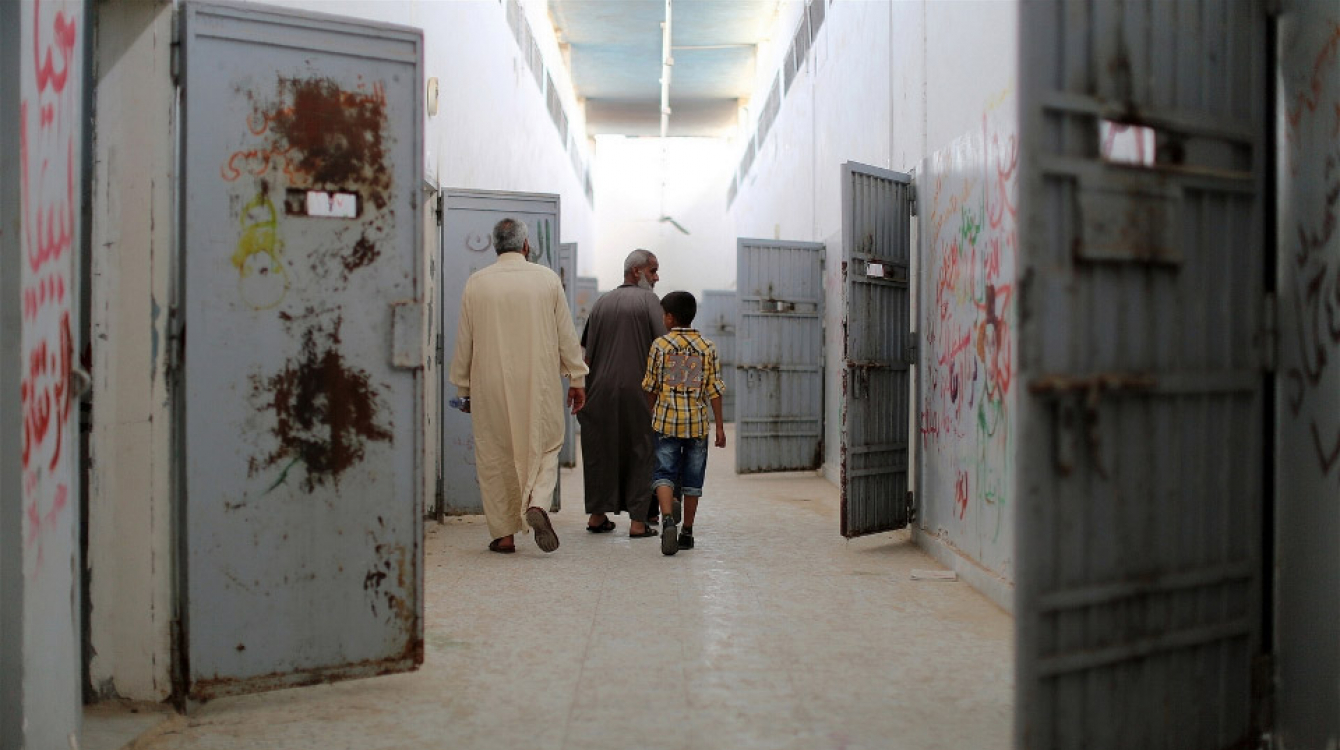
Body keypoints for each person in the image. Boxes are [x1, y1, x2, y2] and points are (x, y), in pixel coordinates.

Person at [449, 218, 588, 554]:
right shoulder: (547, 280)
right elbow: (566, 336)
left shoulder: (477, 283)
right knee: (547, 444)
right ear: (526, 246)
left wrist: (463, 389)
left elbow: (465, 340)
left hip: (490, 383)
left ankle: (504, 535)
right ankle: (538, 502)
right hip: (539, 381)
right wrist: (577, 377)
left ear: (496, 246)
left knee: (495, 453)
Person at [576, 249, 667, 538]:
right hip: (639, 391)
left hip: (599, 390)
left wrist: (580, 387)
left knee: (600, 451)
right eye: (652, 271)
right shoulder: (649, 301)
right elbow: (663, 349)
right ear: (637, 271)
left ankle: (597, 515)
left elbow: (585, 355)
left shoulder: (601, 302)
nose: (656, 277)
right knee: (641, 450)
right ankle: (639, 522)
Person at [641, 291, 727, 556]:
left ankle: (667, 519)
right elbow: (714, 389)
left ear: (670, 317)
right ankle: (687, 531)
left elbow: (650, 386)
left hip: (666, 422)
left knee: (664, 473)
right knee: (692, 480)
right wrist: (721, 427)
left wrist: (652, 412)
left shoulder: (660, 346)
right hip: (697, 425)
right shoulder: (707, 347)